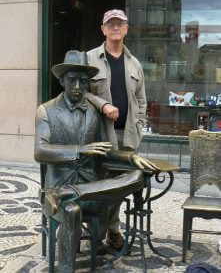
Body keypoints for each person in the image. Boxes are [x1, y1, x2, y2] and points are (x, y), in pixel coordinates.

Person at [34, 50, 158, 273]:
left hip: (92, 192)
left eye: (83, 81)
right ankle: (65, 269)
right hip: (56, 193)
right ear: (62, 80)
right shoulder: (46, 111)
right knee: (71, 210)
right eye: (72, 80)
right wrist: (80, 150)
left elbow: (106, 152)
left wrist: (131, 157)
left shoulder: (94, 112)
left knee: (137, 176)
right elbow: (40, 151)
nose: (78, 87)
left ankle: (72, 192)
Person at [87, 9, 147, 249]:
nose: (115, 28)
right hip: (101, 136)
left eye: (119, 24)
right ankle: (98, 234)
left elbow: (141, 99)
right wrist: (103, 105)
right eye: (110, 24)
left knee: (120, 187)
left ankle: (112, 231)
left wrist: (139, 124)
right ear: (103, 29)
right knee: (101, 186)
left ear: (126, 29)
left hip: (128, 137)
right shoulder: (89, 58)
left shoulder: (135, 63)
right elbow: (81, 95)